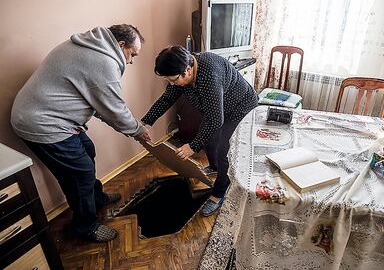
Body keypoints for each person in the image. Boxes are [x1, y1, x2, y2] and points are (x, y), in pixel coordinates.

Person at [10, 24, 150, 242]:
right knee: (80, 173)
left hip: (48, 116)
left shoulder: (91, 45)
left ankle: (95, 197)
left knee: (87, 149)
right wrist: (138, 131)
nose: (131, 61)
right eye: (132, 54)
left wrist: (130, 127)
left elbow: (101, 104)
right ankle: (85, 227)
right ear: (120, 44)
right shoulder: (103, 61)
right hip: (43, 123)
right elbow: (114, 108)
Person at [141, 45, 258, 216]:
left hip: (240, 107)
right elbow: (167, 98)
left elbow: (216, 120)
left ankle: (218, 194)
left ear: (187, 70)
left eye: (173, 80)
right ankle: (215, 167)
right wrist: (146, 121)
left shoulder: (209, 74)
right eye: (169, 81)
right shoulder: (181, 71)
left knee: (224, 150)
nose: (172, 84)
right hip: (219, 109)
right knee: (209, 140)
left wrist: (192, 146)